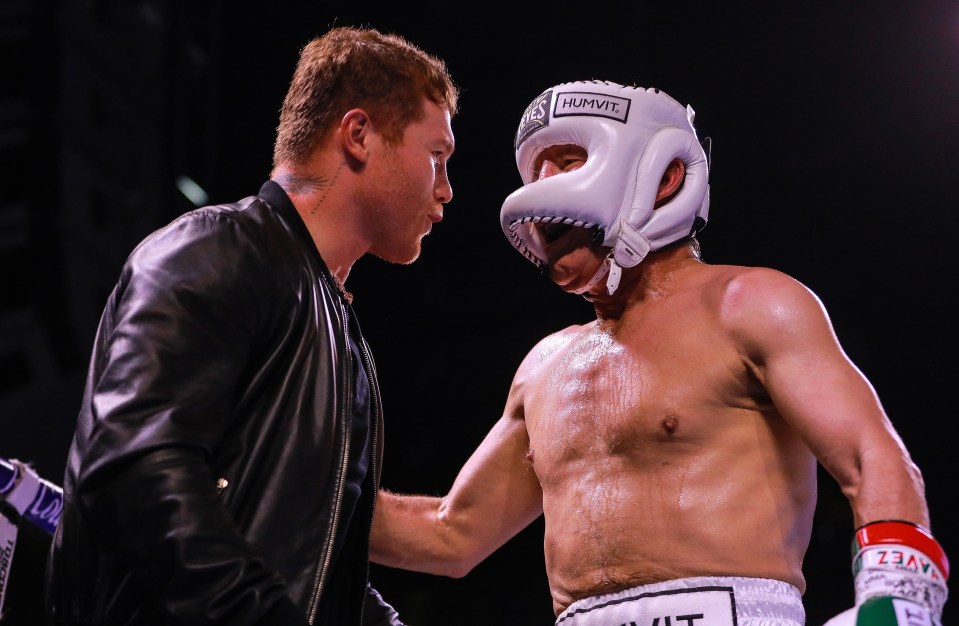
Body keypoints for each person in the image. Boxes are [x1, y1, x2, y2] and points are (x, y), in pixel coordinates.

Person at [369, 81, 949, 626]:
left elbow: (871, 456)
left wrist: (899, 595)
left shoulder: (749, 304)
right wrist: (303, 497)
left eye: (569, 165)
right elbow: (453, 533)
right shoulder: (544, 367)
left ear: (665, 177)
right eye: (536, 172)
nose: (542, 193)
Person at [44, 25, 458, 626]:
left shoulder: (344, 344)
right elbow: (134, 466)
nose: (446, 190)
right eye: (437, 157)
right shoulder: (217, 249)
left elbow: (321, 570)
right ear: (360, 135)